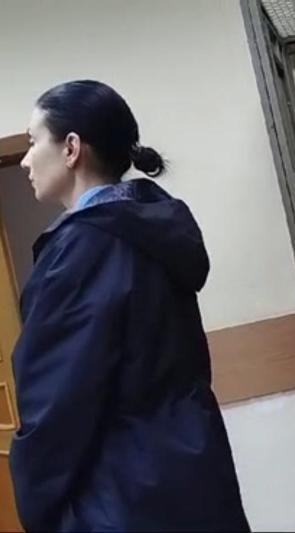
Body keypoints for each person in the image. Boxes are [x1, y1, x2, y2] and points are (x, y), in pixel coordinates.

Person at [10, 80, 249, 532]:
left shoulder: (85, 248)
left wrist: (37, 504)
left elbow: (58, 401)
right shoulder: (151, 228)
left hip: (120, 493)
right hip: (193, 469)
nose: (25, 159)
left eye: (33, 141)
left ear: (71, 148)